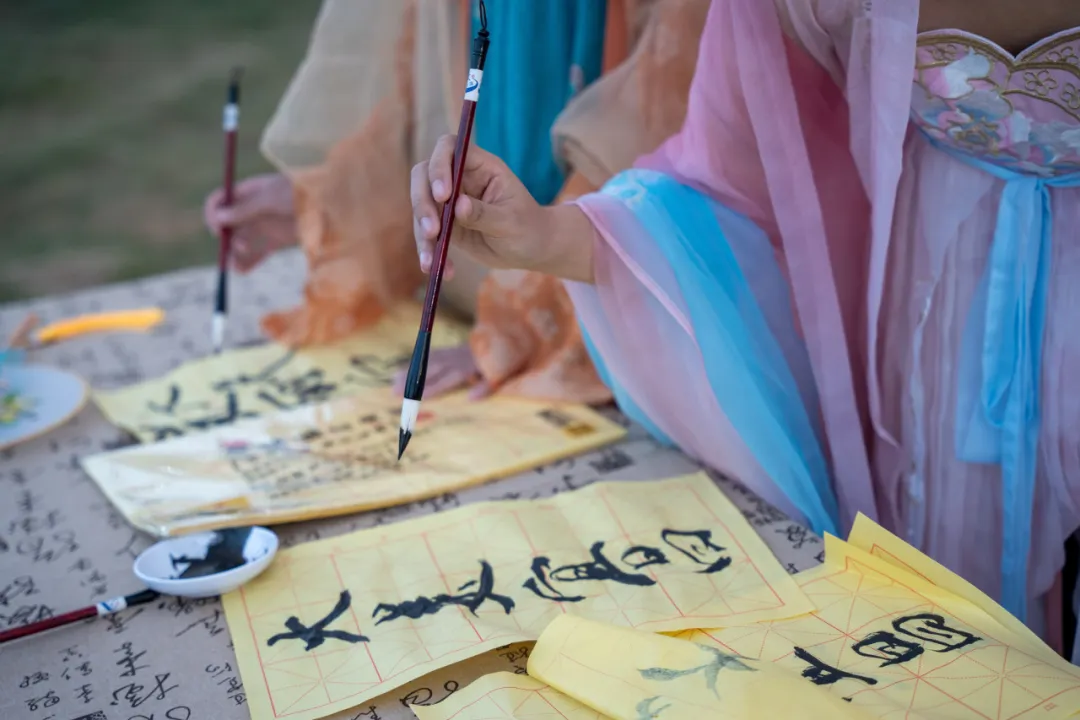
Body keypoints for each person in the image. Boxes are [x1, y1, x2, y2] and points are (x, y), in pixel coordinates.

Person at [410, 0, 1080, 635]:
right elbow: (734, 194)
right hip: (938, 325)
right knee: (966, 636)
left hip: (955, 293)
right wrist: (543, 237)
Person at [203, 0, 704, 402]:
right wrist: (332, 199)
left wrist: (524, 323)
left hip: (619, 330)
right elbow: (405, 76)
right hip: (453, 302)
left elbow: (652, 122)